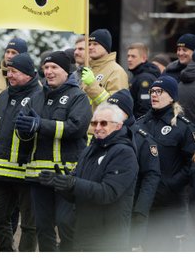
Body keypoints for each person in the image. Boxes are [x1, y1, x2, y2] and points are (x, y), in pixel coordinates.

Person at [20, 50, 92, 251]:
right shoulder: (36, 97)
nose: (49, 71)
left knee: (66, 223)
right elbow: (27, 133)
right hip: (38, 175)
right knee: (43, 227)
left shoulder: (78, 97)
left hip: (66, 174)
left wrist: (39, 124)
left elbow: (75, 128)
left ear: (66, 71)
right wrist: (23, 129)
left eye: (54, 67)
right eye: (46, 67)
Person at [44, 103, 138, 251]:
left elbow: (108, 192)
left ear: (118, 126)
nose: (98, 127)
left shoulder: (124, 153)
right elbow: (76, 194)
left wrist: (73, 183)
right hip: (84, 233)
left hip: (109, 238)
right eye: (94, 123)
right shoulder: (89, 150)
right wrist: (60, 183)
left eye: (104, 123)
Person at [134, 75, 195, 249]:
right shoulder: (140, 124)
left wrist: (171, 183)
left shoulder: (183, 127)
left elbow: (193, 163)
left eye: (160, 91)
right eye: (152, 91)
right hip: (142, 198)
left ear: (171, 96)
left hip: (168, 201)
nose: (154, 95)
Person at [0, 51, 40, 251]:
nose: (9, 75)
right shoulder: (3, 96)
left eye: (14, 72)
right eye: (8, 71)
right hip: (2, 171)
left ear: (28, 74)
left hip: (27, 173)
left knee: (29, 225)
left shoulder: (39, 96)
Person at [105, 90, 160, 250]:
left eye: (115, 109)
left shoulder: (142, 139)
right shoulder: (101, 135)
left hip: (129, 210)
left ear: (126, 112)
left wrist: (140, 211)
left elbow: (151, 176)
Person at [81, 28, 129, 108]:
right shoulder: (89, 69)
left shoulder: (116, 71)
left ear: (106, 47)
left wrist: (92, 84)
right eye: (89, 44)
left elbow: (116, 106)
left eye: (95, 44)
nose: (90, 47)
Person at [126, 42, 161, 118]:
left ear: (144, 58)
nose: (129, 59)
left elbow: (145, 107)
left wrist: (137, 126)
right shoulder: (137, 75)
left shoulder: (145, 78)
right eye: (128, 56)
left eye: (133, 56)